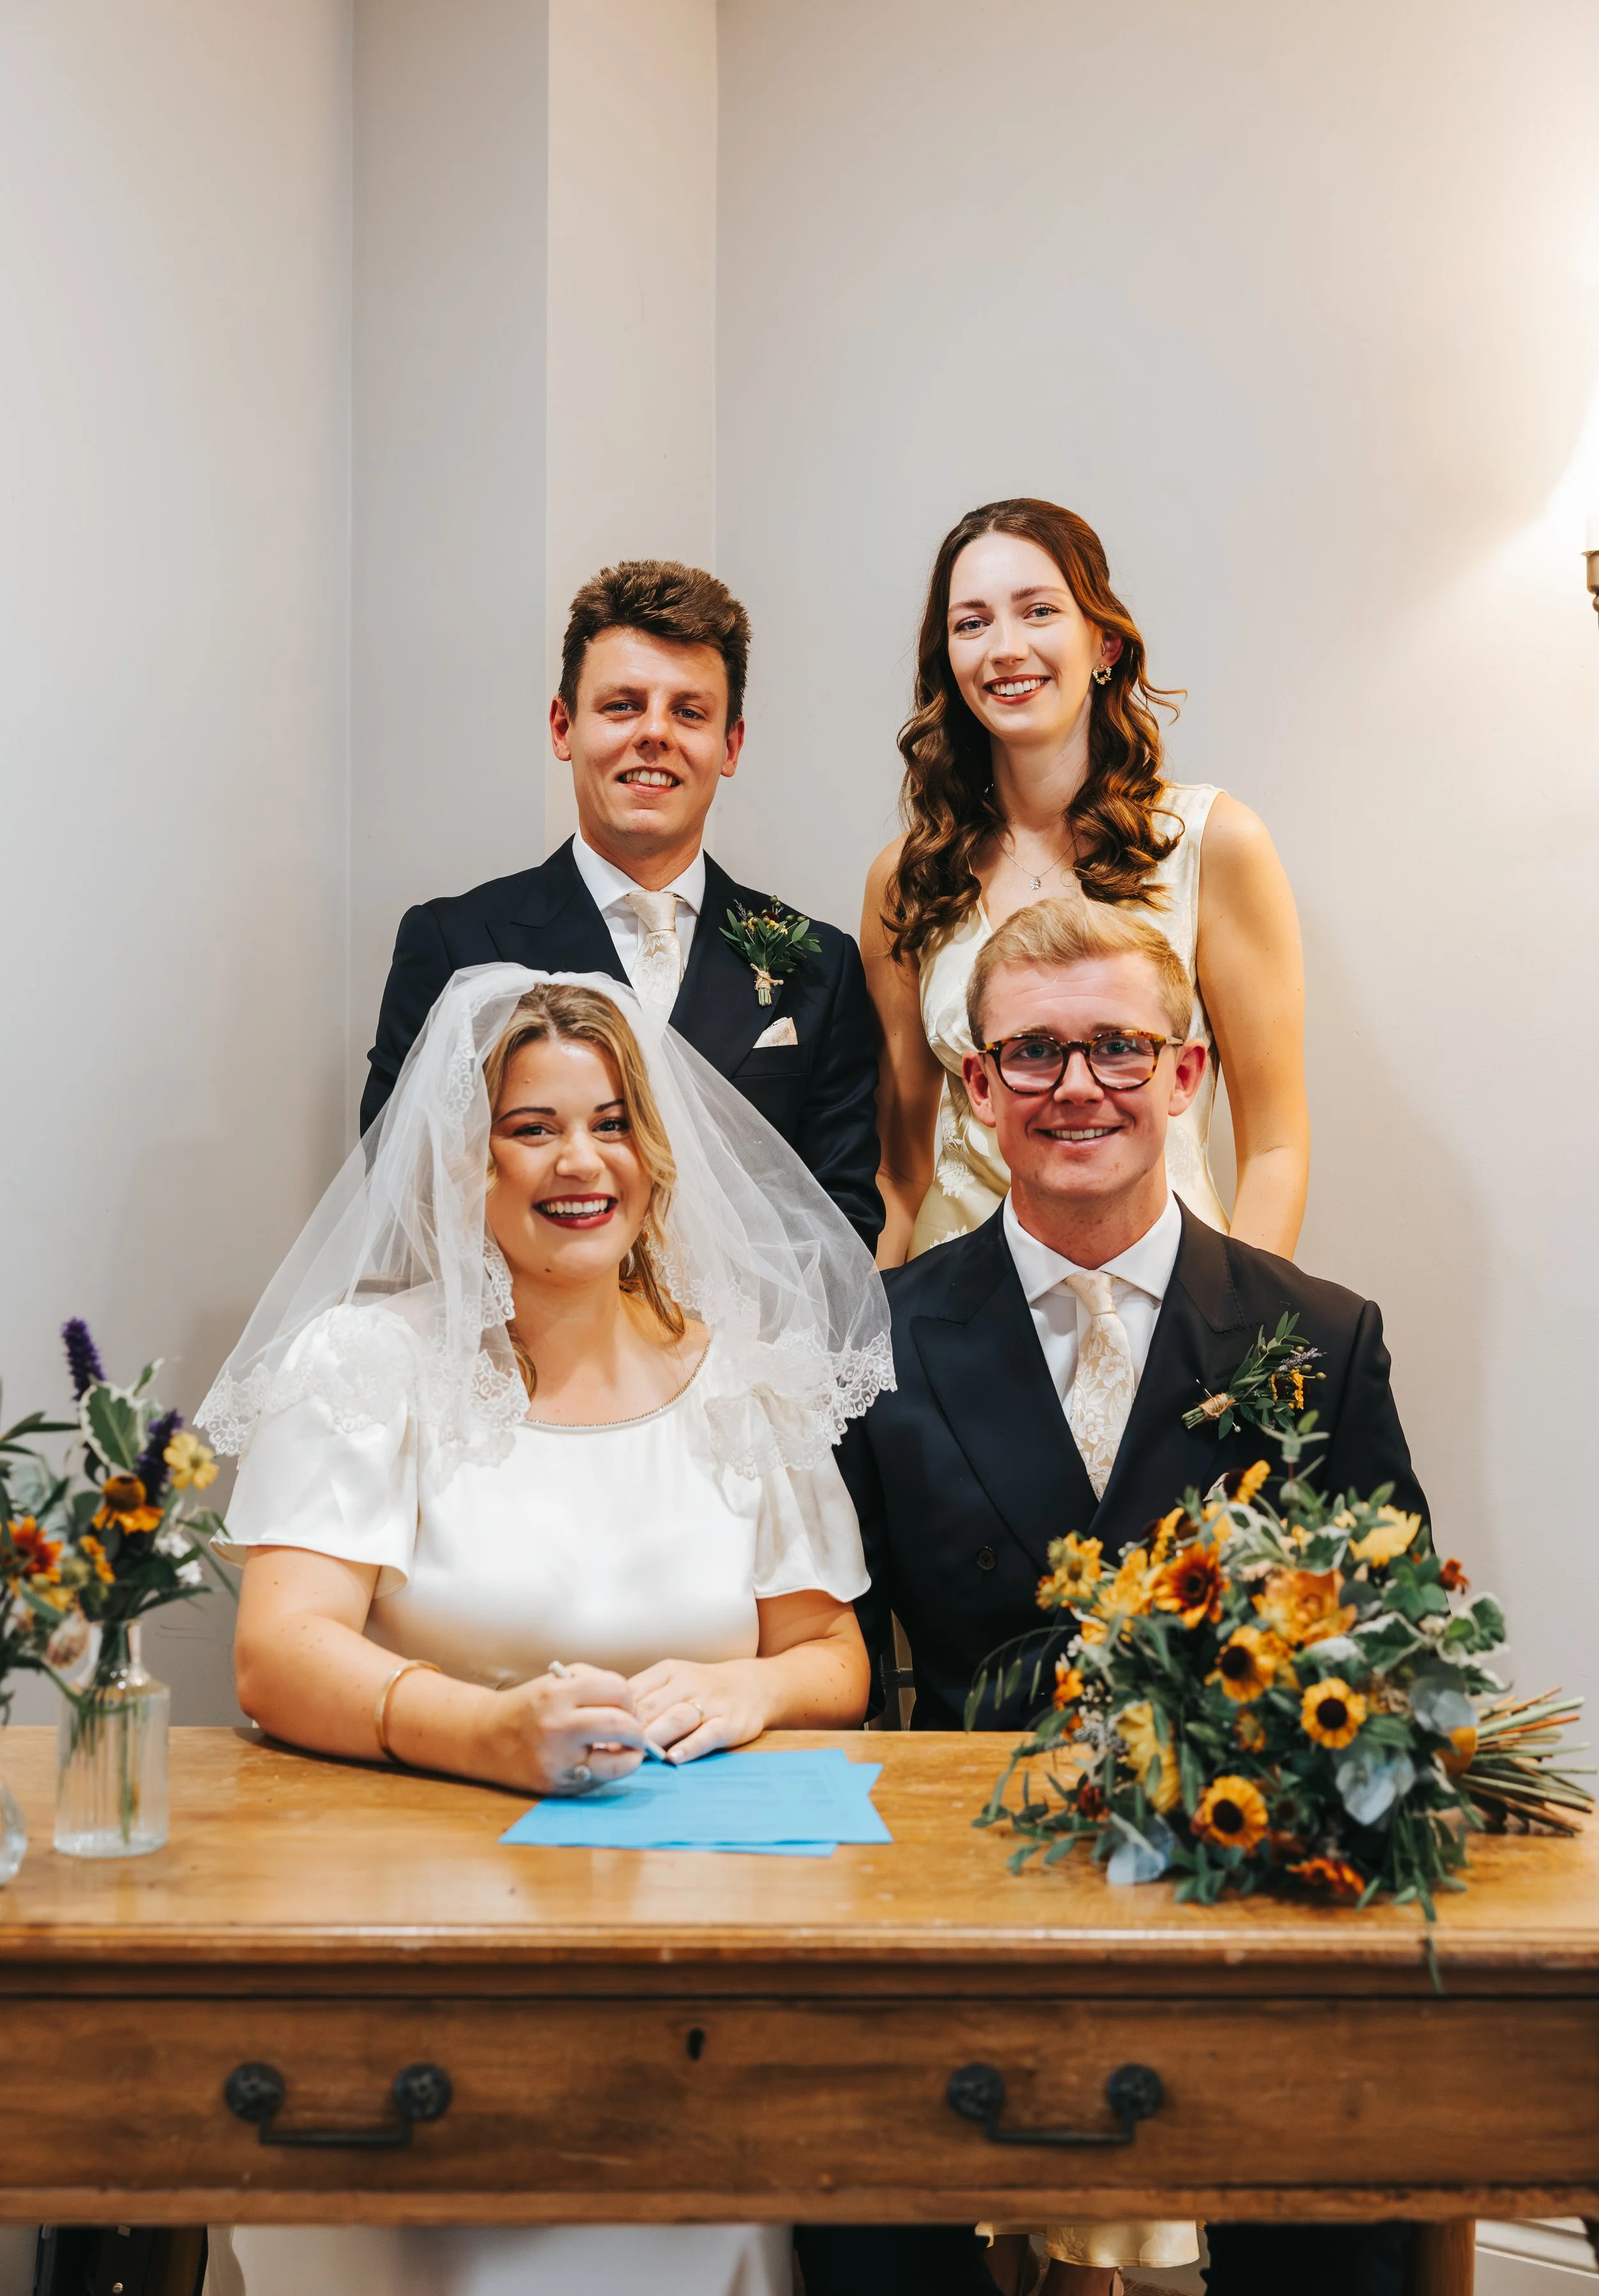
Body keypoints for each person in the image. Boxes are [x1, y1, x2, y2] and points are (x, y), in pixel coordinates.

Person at [198, 967, 892, 2296]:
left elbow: (831, 1657)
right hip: (411, 1943)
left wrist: (747, 1691)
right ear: (467, 1160)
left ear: (656, 1154)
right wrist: (487, 1732)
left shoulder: (744, 1379)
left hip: (684, 1962)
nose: (581, 1162)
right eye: (532, 1127)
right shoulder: (367, 1365)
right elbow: (279, 1652)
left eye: (612, 1122)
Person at [826, 897, 1421, 2296]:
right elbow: (831, 1655)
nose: (1076, 1085)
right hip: (959, 1887)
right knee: (848, 2203)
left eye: (1117, 1047)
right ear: (978, 1089)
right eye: (1032, 1053)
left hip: (1240, 1895)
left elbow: (1388, 1646)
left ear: (1184, 1074)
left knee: (1345, 2221)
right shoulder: (881, 1341)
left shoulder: (1317, 1335)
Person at [364, 559, 883, 1248]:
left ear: (730, 745)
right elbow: (408, 1192)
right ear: (563, 726)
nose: (655, 733)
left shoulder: (822, 964)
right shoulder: (452, 942)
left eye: (689, 712)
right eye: (622, 705)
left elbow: (842, 1217)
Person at [862, 498, 1307, 1268]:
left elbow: (1275, 1145)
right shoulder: (908, 876)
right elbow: (900, 1174)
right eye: (971, 623)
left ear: (1104, 641)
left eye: (1037, 611)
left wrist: (1237, 1326)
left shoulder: (1212, 844)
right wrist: (882, 1327)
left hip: (1168, 1293)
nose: (1005, 648)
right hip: (962, 1302)